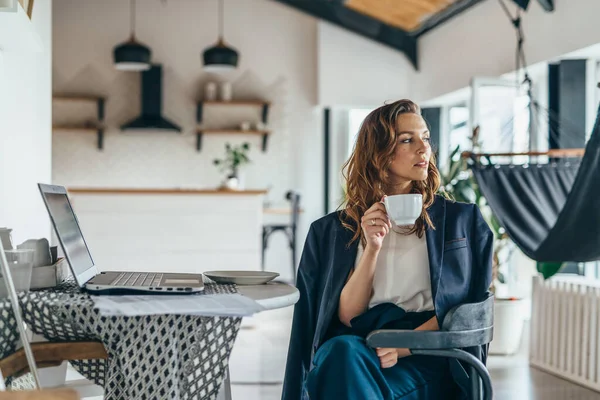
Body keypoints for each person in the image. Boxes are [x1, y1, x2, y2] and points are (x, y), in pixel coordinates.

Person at [282, 99, 493, 400]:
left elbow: (470, 307)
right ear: (379, 155)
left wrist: (405, 345)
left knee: (340, 375)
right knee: (341, 353)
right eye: (408, 140)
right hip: (362, 347)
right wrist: (372, 247)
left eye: (425, 138)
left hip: (429, 354)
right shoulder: (332, 231)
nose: (424, 148)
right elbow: (346, 316)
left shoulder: (461, 222)